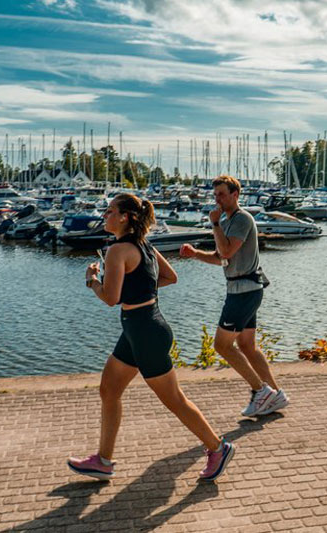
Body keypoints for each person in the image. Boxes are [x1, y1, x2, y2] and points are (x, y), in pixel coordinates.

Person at [68, 193, 234, 482]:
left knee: (174, 399)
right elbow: (170, 277)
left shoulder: (117, 251)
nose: (105, 215)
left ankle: (218, 448)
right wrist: (139, 287)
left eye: (109, 211)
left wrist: (92, 280)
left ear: (125, 217)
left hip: (145, 332)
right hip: (139, 328)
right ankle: (103, 461)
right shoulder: (144, 244)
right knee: (109, 389)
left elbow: (110, 298)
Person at [180, 175, 288, 417]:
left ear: (235, 195)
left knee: (221, 345)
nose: (216, 199)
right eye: (215, 194)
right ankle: (276, 394)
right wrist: (196, 253)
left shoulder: (241, 219)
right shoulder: (227, 222)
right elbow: (222, 258)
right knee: (247, 345)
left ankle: (260, 391)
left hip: (244, 291)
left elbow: (227, 249)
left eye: (221, 194)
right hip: (243, 290)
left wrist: (215, 224)